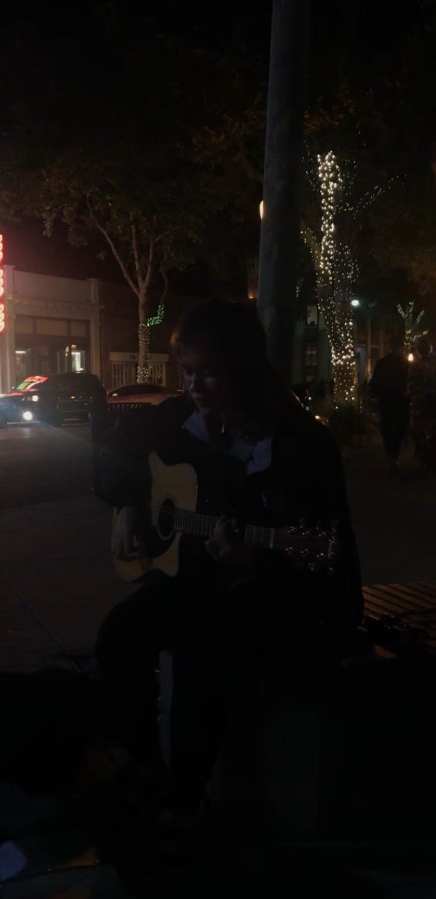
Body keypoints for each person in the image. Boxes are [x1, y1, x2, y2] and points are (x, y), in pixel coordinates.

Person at [94, 299, 364, 830]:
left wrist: (253, 561)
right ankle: (144, 764)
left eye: (209, 374)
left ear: (243, 368)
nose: (194, 386)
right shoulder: (180, 419)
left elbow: (326, 554)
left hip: (284, 596)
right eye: (187, 372)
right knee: (117, 638)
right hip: (195, 577)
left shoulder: (299, 443)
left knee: (200, 648)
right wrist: (127, 503)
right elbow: (113, 452)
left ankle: (184, 805)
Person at [368, 334, 410, 472]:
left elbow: (375, 383)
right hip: (400, 401)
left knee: (387, 428)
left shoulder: (382, 363)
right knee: (399, 428)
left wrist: (377, 396)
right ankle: (395, 456)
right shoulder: (405, 363)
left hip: (386, 401)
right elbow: (409, 382)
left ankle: (391, 456)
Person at [407, 337, 436, 472]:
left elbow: (411, 385)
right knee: (425, 431)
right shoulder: (418, 366)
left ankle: (425, 457)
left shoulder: (416, 366)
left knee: (421, 431)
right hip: (425, 404)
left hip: (424, 404)